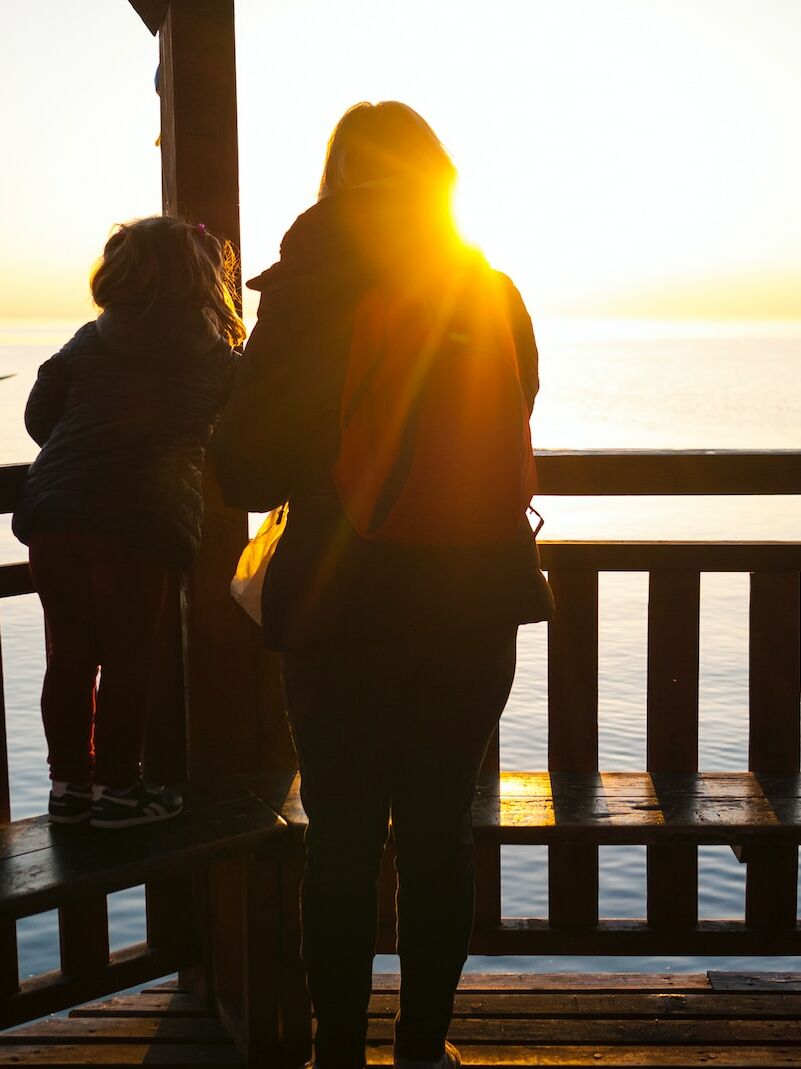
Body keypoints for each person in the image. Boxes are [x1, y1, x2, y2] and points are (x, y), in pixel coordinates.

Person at [212, 101, 544, 1069]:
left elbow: (245, 472)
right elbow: (514, 410)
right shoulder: (487, 286)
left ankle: (340, 1055)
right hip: (476, 597)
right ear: (436, 178)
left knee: (344, 839)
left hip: (340, 608)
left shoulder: (309, 287)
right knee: (441, 833)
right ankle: (424, 1050)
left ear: (339, 182)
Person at [13, 216, 243, 829]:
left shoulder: (90, 339)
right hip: (140, 523)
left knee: (70, 655)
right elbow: (236, 425)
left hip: (55, 516)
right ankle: (119, 788)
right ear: (200, 277)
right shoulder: (212, 352)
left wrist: (78, 452)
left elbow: (41, 417)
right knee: (128, 658)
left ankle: (68, 789)